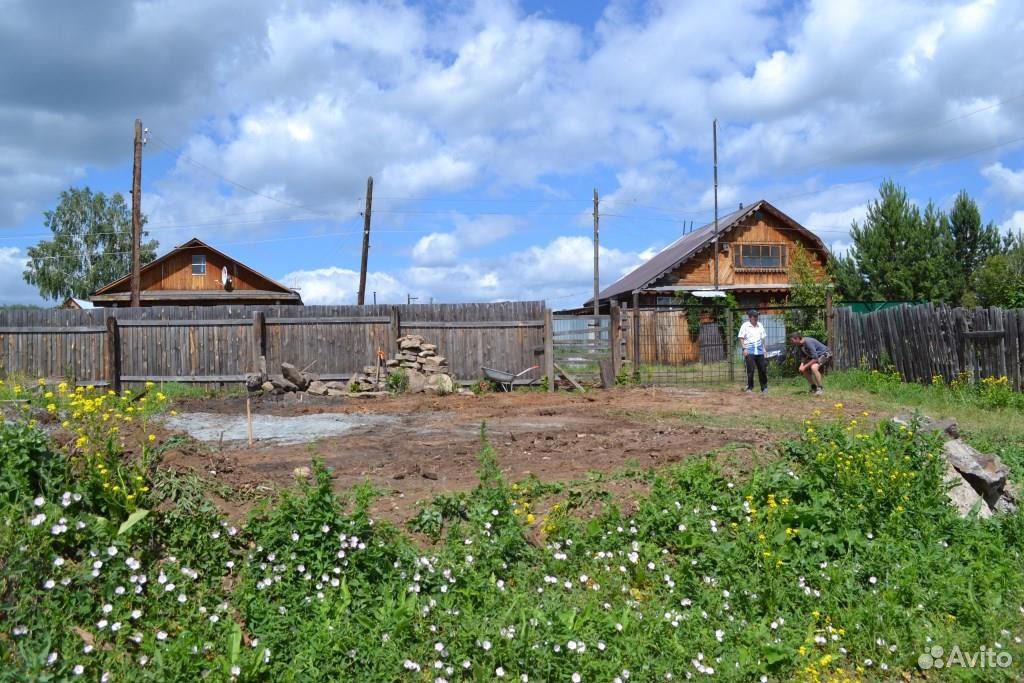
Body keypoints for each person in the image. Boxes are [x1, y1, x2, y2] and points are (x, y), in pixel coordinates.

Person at [737, 309, 768, 393]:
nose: (756, 318)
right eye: (754, 316)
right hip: (749, 350)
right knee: (750, 370)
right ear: (750, 317)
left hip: (760, 351)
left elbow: (763, 338)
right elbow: (741, 337)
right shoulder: (745, 325)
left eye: (757, 316)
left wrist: (764, 349)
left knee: (762, 369)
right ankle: (750, 387)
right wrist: (744, 349)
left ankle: (764, 387)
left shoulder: (760, 325)